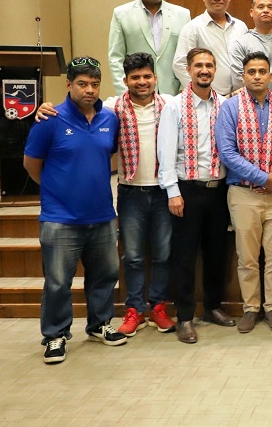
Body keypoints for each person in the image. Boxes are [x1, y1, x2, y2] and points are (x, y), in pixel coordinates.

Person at [34, 52, 178, 337]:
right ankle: (134, 309)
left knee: (162, 254)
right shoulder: (113, 109)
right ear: (125, 80)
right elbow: (35, 161)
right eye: (135, 77)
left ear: (155, 78)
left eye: (146, 76)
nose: (142, 82)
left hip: (164, 191)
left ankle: (157, 306)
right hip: (130, 193)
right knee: (132, 257)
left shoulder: (171, 105)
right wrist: (44, 107)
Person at [24, 57, 126, 364]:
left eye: (95, 84)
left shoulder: (110, 119)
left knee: (105, 275)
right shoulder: (49, 119)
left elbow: (108, 156)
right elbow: (31, 165)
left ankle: (99, 324)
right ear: (69, 85)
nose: (89, 90)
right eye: (82, 84)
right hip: (60, 218)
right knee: (58, 282)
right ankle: (55, 335)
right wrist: (57, 190)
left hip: (102, 214)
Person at [157, 47, 236, 343]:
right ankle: (185, 317)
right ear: (189, 70)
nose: (204, 70)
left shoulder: (225, 105)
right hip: (187, 191)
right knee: (185, 256)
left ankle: (213, 307)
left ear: (215, 70)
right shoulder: (174, 106)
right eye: (199, 65)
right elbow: (166, 153)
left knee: (216, 253)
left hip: (218, 190)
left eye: (209, 65)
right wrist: (172, 192)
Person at [215, 52, 272, 333]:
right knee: (247, 257)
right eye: (251, 71)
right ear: (243, 76)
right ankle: (251, 308)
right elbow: (227, 152)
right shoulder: (230, 108)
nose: (257, 76)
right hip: (243, 193)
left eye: (262, 71)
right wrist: (262, 177)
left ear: (271, 75)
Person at [108, 0, 191, 96]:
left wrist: (185, 87)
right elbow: (116, 58)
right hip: (136, 91)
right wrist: (124, 93)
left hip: (174, 92)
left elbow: (188, 56)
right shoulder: (121, 14)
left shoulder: (182, 14)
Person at [173, 0, 248, 96]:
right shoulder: (193, 28)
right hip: (208, 98)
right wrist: (202, 92)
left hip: (240, 96)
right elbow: (180, 64)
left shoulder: (241, 26)